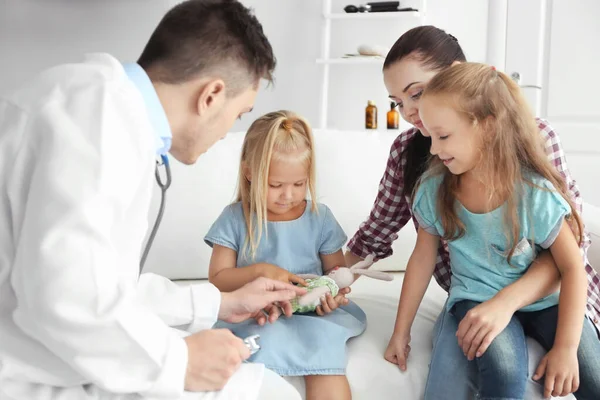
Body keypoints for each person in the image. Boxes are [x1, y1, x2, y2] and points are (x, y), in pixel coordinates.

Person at [0, 1, 306, 399]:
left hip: (49, 355)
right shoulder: (100, 117)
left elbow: (105, 284)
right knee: (268, 393)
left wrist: (220, 303)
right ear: (212, 95)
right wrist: (179, 361)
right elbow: (66, 297)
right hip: (25, 373)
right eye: (239, 113)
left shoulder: (98, 102)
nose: (228, 132)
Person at [344, 25, 600, 399]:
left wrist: (511, 307)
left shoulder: (533, 148)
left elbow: (570, 254)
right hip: (474, 294)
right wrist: (327, 276)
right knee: (500, 370)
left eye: (416, 93)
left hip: (547, 293)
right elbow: (382, 234)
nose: (409, 112)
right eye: (398, 102)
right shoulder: (423, 162)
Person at [204, 110, 366, 400]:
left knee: (325, 356)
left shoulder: (319, 217)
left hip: (313, 314)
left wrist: (331, 297)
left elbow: (338, 274)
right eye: (275, 185)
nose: (288, 195)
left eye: (299, 184)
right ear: (249, 173)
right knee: (261, 345)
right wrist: (261, 271)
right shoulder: (234, 218)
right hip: (258, 313)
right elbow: (217, 280)